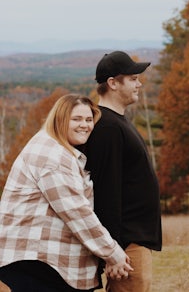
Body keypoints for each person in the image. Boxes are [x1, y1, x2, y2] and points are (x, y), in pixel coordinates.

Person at [0, 94, 133, 292]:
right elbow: (77, 212)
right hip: (39, 261)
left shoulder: (58, 148)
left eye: (89, 120)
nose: (85, 125)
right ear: (60, 119)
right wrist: (113, 253)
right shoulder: (52, 156)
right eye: (76, 119)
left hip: (45, 262)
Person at [81, 51, 162, 292]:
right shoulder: (107, 127)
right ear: (113, 83)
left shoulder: (117, 121)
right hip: (126, 245)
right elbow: (106, 192)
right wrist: (113, 252)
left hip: (132, 242)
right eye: (133, 78)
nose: (139, 84)